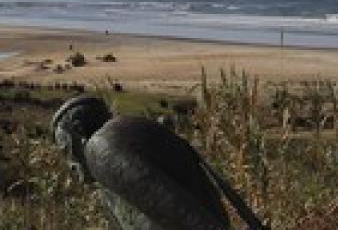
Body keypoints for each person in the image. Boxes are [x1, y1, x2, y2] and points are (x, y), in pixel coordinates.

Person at [53, 95, 267, 230]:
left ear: (79, 131)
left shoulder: (100, 146)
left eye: (66, 149)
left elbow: (171, 202)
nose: (70, 163)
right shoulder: (127, 131)